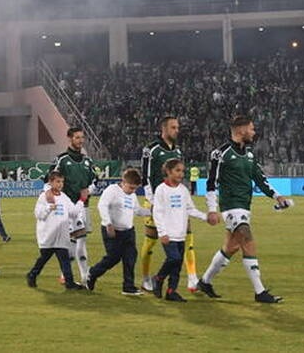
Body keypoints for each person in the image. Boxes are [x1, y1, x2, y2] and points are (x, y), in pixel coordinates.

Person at [198, 115, 288, 303]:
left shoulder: (249, 155)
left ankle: (205, 282)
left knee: (231, 247)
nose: (254, 133)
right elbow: (211, 182)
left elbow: (260, 179)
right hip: (231, 206)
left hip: (245, 206)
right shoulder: (220, 153)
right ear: (241, 130)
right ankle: (260, 292)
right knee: (247, 240)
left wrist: (276, 196)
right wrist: (212, 209)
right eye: (251, 129)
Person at [140, 116, 199, 292]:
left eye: (177, 127)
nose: (177, 131)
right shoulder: (151, 150)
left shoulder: (178, 152)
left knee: (187, 239)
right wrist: (151, 201)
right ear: (164, 129)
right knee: (150, 242)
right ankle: (145, 278)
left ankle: (192, 277)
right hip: (156, 201)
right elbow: (146, 176)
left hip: (177, 203)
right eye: (173, 128)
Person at [152, 159, 211, 302]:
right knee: (174, 258)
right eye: (178, 170)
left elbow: (190, 209)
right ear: (168, 171)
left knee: (177, 266)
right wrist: (162, 232)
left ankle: (171, 291)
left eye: (182, 171)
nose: (181, 174)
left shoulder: (183, 190)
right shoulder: (161, 189)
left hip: (181, 234)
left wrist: (205, 217)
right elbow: (157, 212)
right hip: (168, 234)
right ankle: (158, 278)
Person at [87, 168, 150, 295]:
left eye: (135, 188)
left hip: (128, 232)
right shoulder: (112, 190)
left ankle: (128, 286)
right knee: (113, 258)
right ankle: (92, 273)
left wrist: (152, 211)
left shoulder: (132, 195)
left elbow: (137, 210)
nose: (133, 191)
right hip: (112, 230)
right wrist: (108, 223)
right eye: (131, 187)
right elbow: (102, 205)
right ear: (123, 182)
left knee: (130, 257)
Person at [49, 127, 97, 284]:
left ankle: (84, 276)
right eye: (77, 137)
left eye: (82, 138)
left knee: (81, 240)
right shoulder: (61, 160)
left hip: (84, 206)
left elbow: (95, 180)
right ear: (69, 139)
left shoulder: (87, 161)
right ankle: (67, 273)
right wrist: (53, 198)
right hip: (67, 208)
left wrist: (88, 190)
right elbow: (48, 179)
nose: (81, 141)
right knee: (70, 241)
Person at [26, 170, 85, 290]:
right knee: (43, 259)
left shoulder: (64, 197)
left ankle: (69, 282)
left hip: (61, 235)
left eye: (62, 182)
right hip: (48, 235)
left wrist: (81, 200)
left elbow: (73, 212)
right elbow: (39, 215)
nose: (60, 184)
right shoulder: (44, 196)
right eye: (58, 181)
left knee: (65, 259)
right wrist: (48, 208)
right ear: (51, 182)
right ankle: (32, 274)